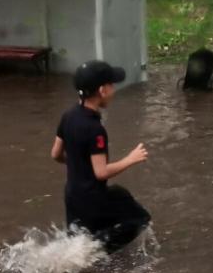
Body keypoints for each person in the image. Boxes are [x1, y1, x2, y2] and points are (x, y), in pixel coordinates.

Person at [50, 60, 151, 252]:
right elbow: (101, 172)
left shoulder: (68, 115)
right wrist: (131, 158)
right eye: (112, 85)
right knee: (140, 219)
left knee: (118, 197)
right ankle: (97, 253)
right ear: (102, 90)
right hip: (93, 198)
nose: (114, 90)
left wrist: (79, 164)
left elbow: (55, 154)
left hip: (72, 196)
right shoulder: (95, 129)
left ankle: (84, 255)